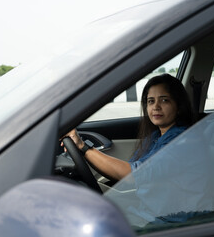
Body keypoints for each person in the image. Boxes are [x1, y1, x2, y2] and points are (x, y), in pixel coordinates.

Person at [62, 73, 193, 181]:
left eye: (164, 100)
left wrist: (83, 147)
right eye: (151, 101)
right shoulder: (155, 137)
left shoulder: (181, 142)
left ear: (179, 107)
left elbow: (134, 176)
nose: (156, 107)